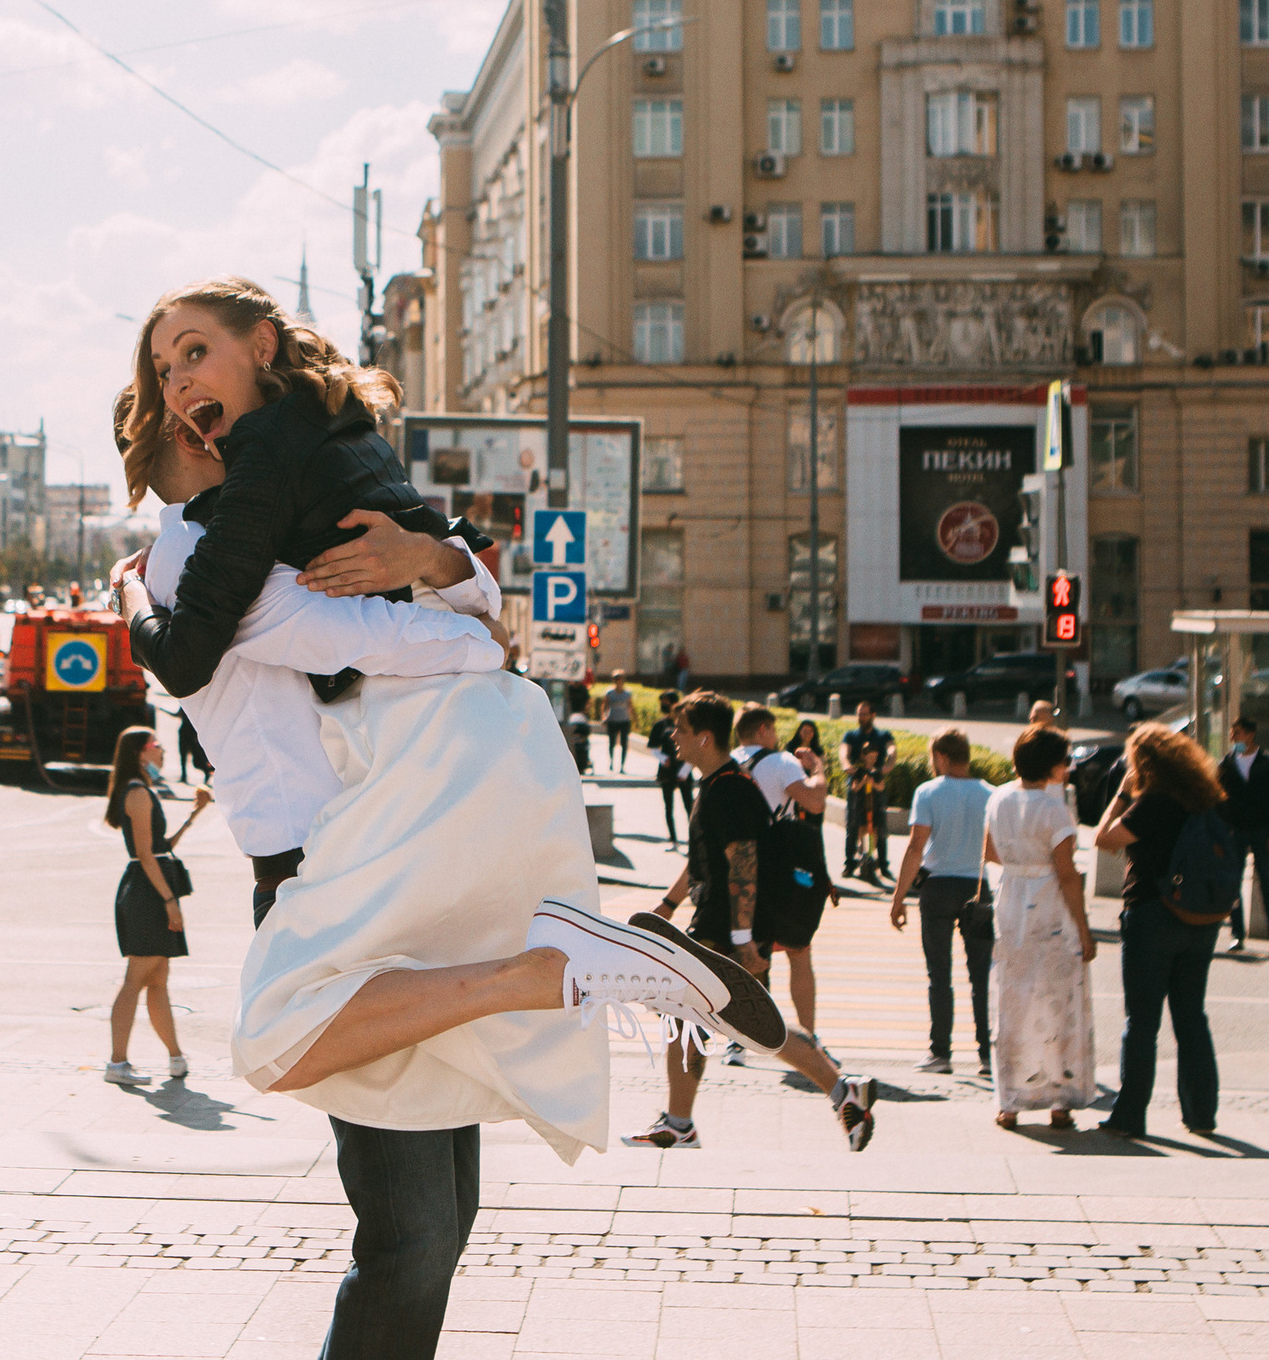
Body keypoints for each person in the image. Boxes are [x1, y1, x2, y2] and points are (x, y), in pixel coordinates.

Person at [113, 284, 784, 1359]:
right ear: (159, 450)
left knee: (421, 1219)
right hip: (341, 861)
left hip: (380, 849)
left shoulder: (262, 517)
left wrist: (433, 562)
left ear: (259, 352)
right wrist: (470, 628)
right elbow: (401, 639)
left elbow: (439, 598)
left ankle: (549, 967)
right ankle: (547, 967)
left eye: (195, 358)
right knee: (414, 1216)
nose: (189, 396)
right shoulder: (198, 558)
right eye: (166, 382)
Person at [631, 691, 878, 1151]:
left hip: (728, 928)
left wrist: (745, 939)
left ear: (705, 737)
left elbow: (744, 863)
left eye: (681, 730)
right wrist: (667, 905)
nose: (674, 738)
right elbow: (705, 859)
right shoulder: (716, 784)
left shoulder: (731, 789)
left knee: (722, 1018)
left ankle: (683, 1122)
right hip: (720, 923)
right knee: (734, 1022)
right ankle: (842, 1091)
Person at [1092, 722, 1231, 1138]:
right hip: (1200, 918)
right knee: (1191, 1016)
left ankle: (1130, 1115)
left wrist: (1122, 793)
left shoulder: (1152, 801)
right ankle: (1201, 1113)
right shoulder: (1204, 798)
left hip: (1152, 914)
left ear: (1144, 763)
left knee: (1142, 1021)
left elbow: (1105, 839)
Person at [983, 725, 1095, 1129]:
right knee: (1056, 1000)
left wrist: (1021, 862)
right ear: (1050, 765)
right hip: (1049, 907)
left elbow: (990, 852)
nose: (1068, 767)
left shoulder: (998, 798)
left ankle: (1009, 1101)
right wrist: (1084, 928)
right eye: (1064, 760)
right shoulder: (1054, 809)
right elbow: (1067, 874)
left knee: (1012, 999)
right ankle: (1059, 1099)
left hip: (1011, 904)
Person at [727, 705, 838, 1066]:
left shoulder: (726, 762)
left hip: (736, 865)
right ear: (763, 729)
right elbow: (814, 802)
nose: (776, 738)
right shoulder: (782, 761)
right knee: (798, 950)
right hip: (778, 868)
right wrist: (818, 769)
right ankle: (808, 1040)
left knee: (749, 951)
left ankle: (741, 1038)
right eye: (773, 731)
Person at [102, 726, 212, 1086]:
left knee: (158, 979)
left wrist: (193, 816)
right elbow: (146, 855)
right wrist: (169, 901)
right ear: (140, 753)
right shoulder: (137, 793)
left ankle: (175, 1057)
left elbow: (160, 848)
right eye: (156, 745)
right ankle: (117, 1064)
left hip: (151, 888)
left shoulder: (142, 791)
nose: (162, 751)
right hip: (148, 894)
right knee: (136, 978)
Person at [886, 729, 993, 1075]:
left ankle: (940, 1053)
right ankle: (987, 1056)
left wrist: (898, 898)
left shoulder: (928, 791)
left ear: (942, 757)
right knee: (981, 976)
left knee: (939, 974)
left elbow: (916, 846)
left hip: (938, 889)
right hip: (978, 888)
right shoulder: (990, 793)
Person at [1220, 716, 1269, 954]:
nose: (1233, 737)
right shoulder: (1227, 764)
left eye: (1237, 733)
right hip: (1235, 831)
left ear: (1250, 735)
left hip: (1262, 831)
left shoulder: (1268, 763)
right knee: (1233, 883)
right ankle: (1237, 935)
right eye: (1232, 733)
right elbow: (1220, 800)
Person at [841, 702, 896, 883]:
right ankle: (850, 863)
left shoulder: (882, 735)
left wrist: (888, 764)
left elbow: (892, 750)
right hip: (857, 780)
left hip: (876, 779)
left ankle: (883, 865)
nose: (861, 717)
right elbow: (844, 752)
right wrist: (847, 765)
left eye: (864, 714)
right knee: (853, 825)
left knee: (880, 825)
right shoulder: (851, 735)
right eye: (859, 714)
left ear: (873, 715)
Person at [649, 695, 690, 848]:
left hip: (684, 769)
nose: (664, 705)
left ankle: (693, 841)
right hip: (667, 769)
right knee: (669, 806)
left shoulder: (687, 723)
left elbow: (695, 748)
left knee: (689, 807)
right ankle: (673, 840)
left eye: (666, 702)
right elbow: (653, 747)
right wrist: (662, 758)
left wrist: (686, 769)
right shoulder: (660, 725)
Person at [602, 673, 636, 773]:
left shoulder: (627, 694)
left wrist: (635, 720)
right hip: (612, 720)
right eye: (617, 680)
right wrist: (604, 717)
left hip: (624, 720)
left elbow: (631, 707)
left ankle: (622, 765)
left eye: (620, 680)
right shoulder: (609, 693)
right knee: (612, 743)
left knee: (624, 743)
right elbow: (605, 706)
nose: (619, 682)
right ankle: (611, 762)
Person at [176, 707, 213, 788]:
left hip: (193, 734)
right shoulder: (184, 705)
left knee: (196, 761)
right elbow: (177, 714)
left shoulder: (196, 708)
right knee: (183, 756)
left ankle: (207, 771)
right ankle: (184, 776)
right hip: (184, 732)